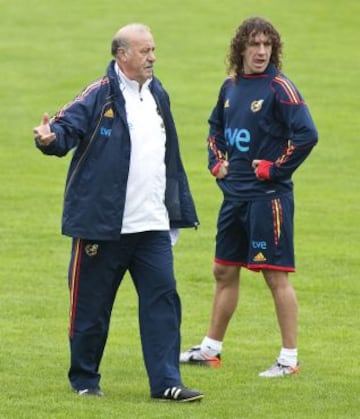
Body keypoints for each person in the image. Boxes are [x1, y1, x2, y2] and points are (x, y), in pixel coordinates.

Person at [33, 23, 204, 402]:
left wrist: (175, 209)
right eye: (144, 51)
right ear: (121, 55)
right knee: (91, 308)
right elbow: (65, 127)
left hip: (152, 225)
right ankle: (84, 379)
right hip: (103, 226)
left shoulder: (158, 93)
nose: (152, 57)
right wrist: (49, 138)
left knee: (163, 302)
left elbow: (167, 156)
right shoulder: (99, 94)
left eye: (153, 50)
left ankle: (166, 382)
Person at [180, 17, 318, 377]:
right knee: (223, 270)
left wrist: (273, 169)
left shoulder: (280, 88)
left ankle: (289, 359)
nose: (261, 52)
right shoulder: (231, 87)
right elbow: (215, 129)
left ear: (274, 49)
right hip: (235, 197)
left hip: (267, 199)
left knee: (275, 276)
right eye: (254, 45)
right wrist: (216, 162)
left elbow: (307, 136)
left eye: (267, 45)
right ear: (240, 48)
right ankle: (211, 349)